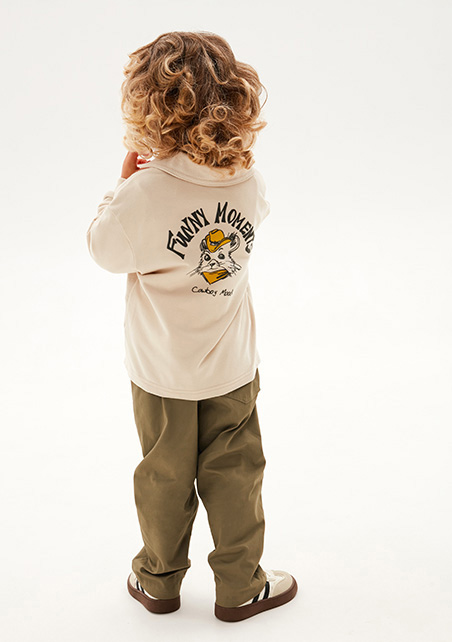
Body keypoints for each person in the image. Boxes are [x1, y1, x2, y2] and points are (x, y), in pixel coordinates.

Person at [86, 31, 298, 622]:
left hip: (161, 374)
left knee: (163, 476)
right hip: (231, 368)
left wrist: (123, 186)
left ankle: (158, 581)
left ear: (147, 105)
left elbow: (103, 249)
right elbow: (256, 217)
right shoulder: (247, 183)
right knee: (236, 475)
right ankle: (240, 586)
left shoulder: (145, 191)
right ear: (236, 99)